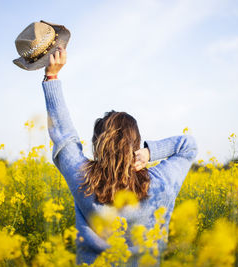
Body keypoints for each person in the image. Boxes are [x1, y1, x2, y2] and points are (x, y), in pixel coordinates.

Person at [42, 47, 198, 266]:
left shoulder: (84, 181)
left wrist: (52, 77)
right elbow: (188, 146)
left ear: (97, 146)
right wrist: (150, 152)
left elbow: (65, 138)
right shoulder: (160, 184)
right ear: (136, 145)